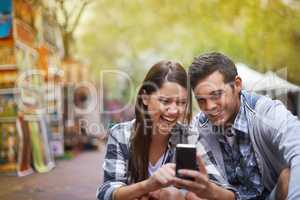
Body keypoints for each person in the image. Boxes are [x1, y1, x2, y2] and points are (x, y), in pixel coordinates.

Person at [174, 52, 300, 200]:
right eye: (201, 100)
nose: (210, 107)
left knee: (288, 175)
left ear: (237, 85)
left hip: (274, 196)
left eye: (216, 95)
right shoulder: (198, 130)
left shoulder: (266, 112)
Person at [97, 60, 191, 200]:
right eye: (165, 101)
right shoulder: (121, 135)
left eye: (181, 102)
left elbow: (207, 188)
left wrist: (181, 196)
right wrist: (148, 185)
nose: (174, 110)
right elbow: (107, 193)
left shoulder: (191, 138)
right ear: (145, 98)